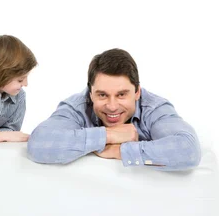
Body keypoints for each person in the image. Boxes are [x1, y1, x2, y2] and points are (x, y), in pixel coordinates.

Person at [27, 48, 201, 170]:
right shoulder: (77, 106)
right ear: (90, 93)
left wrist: (120, 151)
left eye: (121, 95)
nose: (112, 106)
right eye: (102, 95)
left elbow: (188, 150)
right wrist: (108, 135)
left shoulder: (154, 108)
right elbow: (39, 143)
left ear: (137, 92)